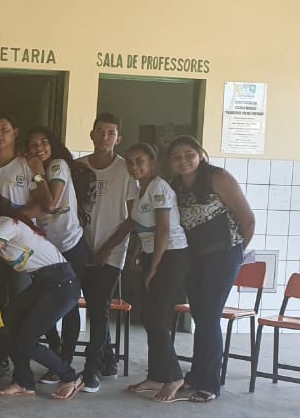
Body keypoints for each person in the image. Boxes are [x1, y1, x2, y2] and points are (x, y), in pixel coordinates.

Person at [0, 186, 83, 400]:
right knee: (6, 326)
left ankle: (70, 376)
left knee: (25, 340)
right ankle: (24, 382)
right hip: (43, 282)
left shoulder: (7, 224)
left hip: (61, 282)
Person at [95, 144, 191, 402]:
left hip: (171, 255)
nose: (134, 167)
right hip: (154, 255)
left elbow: (163, 229)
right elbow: (133, 224)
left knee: (156, 317)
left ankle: (174, 377)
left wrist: (155, 266)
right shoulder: (141, 190)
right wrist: (128, 250)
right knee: (149, 316)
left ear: (153, 163)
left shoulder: (159, 187)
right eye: (130, 162)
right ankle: (156, 375)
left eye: (140, 161)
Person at [168, 136, 256, 404]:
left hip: (223, 256)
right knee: (200, 316)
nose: (183, 160)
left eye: (189, 154)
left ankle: (210, 383)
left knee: (209, 317)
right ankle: (196, 375)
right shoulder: (175, 186)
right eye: (176, 156)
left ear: (201, 154)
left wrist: (237, 253)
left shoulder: (218, 177)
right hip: (195, 258)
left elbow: (247, 218)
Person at [24, 127, 95, 388]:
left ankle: (64, 361)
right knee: (45, 303)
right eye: (33, 143)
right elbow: (34, 206)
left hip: (69, 246)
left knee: (69, 306)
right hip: (48, 249)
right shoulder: (34, 170)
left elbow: (51, 203)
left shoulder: (55, 166)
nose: (39, 147)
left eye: (44, 142)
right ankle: (55, 352)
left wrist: (38, 173)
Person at [76, 113, 138, 383]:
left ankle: (93, 368)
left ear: (118, 138)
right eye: (99, 131)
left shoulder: (126, 171)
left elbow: (133, 217)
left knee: (99, 307)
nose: (104, 137)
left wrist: (105, 248)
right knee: (92, 305)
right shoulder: (77, 167)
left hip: (111, 251)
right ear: (91, 134)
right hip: (80, 248)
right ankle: (109, 360)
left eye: (110, 133)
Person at [0, 115, 38, 380]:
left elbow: (40, 204)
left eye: (4, 130)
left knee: (22, 307)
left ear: (15, 133)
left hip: (20, 250)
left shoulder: (27, 164)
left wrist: (14, 221)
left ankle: (21, 367)